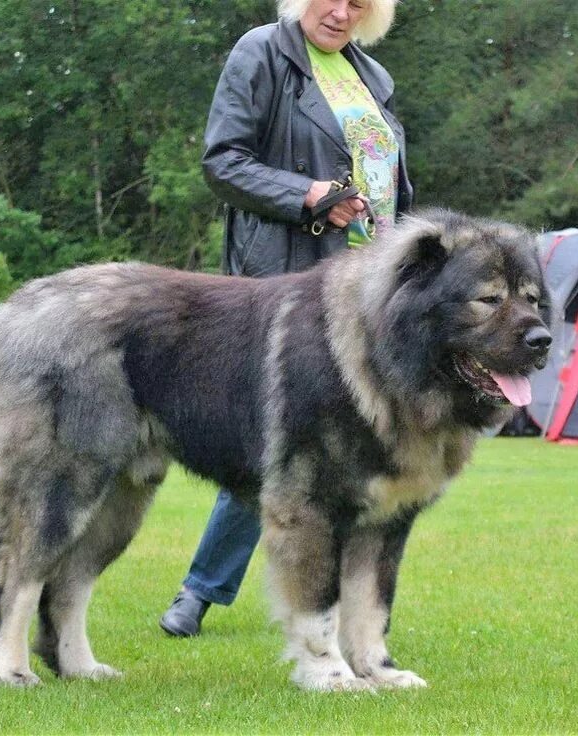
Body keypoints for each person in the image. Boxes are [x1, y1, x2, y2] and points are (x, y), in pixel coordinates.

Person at [159, 0, 412, 637]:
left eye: (360, 3)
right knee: (287, 442)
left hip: (371, 291)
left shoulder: (371, 78)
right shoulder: (262, 53)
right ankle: (202, 589)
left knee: (360, 450)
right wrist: (307, 195)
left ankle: (356, 611)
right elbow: (224, 161)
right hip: (294, 282)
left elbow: (391, 189)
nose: (342, 11)